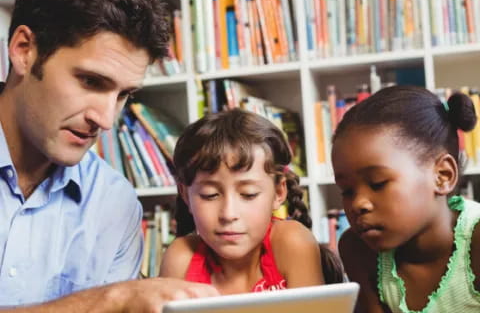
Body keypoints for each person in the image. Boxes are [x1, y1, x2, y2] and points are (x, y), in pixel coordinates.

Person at [0, 0, 218, 311]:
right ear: (24, 50)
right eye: (90, 81)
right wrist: (105, 301)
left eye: (123, 95)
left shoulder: (115, 205)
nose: (105, 119)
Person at [159, 109, 343, 294]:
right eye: (210, 195)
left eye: (248, 194)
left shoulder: (292, 243)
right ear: (185, 195)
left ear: (279, 192)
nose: (229, 214)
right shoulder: (181, 259)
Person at [332, 85, 480, 312]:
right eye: (346, 191)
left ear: (442, 176)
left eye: (378, 183)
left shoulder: (475, 242)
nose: (358, 204)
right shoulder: (358, 250)